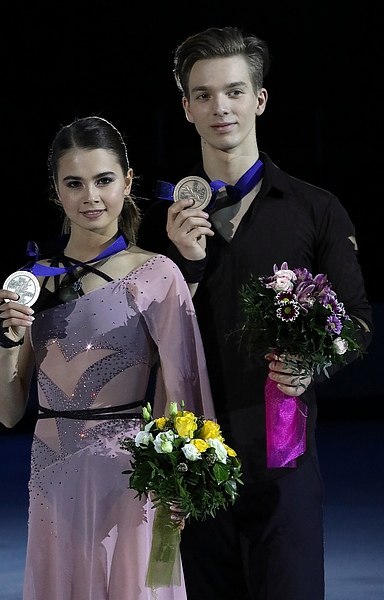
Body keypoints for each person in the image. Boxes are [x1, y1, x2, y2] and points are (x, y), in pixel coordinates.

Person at [137, 26, 373, 600]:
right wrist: (186, 269)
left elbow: (359, 321)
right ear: (186, 108)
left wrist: (313, 366)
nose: (221, 107)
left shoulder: (315, 209)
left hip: (283, 459)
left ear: (260, 100)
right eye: (203, 94)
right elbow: (137, 346)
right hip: (189, 458)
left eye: (235, 91)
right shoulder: (153, 226)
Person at [0, 115, 215, 600]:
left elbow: (184, 388)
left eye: (103, 180)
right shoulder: (33, 281)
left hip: (132, 480)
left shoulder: (157, 274)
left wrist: (181, 483)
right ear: (56, 190)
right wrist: (9, 343)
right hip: (51, 478)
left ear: (128, 182)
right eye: (74, 183)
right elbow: (8, 413)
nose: (90, 196)